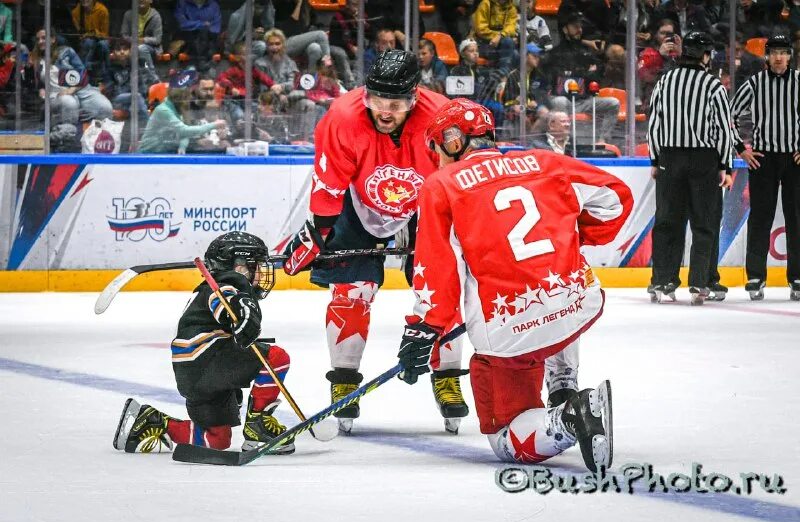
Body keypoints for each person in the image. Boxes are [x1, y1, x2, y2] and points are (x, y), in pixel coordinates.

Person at [395, 99, 632, 470]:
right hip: (577, 301)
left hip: (511, 332)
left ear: (454, 141)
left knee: (507, 438)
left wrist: (425, 329)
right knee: (555, 300)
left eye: (437, 148)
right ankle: (563, 382)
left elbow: (437, 271)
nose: (436, 159)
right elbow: (616, 197)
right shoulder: (544, 161)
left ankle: (572, 415)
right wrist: (569, 240)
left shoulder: (441, 185)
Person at [280, 50, 463, 434]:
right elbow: (329, 185)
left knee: (441, 289)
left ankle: (447, 377)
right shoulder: (342, 118)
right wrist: (321, 233)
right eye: (376, 100)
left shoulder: (442, 118)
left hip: (426, 205)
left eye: (394, 104)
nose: (383, 110)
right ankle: (344, 382)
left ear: (414, 98)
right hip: (357, 201)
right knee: (351, 291)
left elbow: (458, 181)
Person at [113, 232, 296, 455]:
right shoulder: (223, 287)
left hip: (193, 373)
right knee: (276, 357)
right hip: (207, 361)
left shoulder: (211, 288)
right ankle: (258, 426)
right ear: (239, 267)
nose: (260, 273)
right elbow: (230, 303)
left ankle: (153, 422)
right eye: (255, 265)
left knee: (217, 439)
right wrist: (246, 313)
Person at [647, 31, 733, 305]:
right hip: (703, 160)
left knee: (667, 221)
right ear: (705, 56)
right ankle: (700, 283)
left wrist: (654, 159)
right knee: (704, 222)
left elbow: (654, 124)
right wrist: (725, 165)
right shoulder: (713, 85)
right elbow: (723, 129)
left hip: (670, 159)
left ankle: (662, 281)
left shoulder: (665, 81)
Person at [731, 34, 800, 301]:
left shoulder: (798, 81)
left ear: (790, 56)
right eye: (774, 52)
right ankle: (756, 276)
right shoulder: (755, 84)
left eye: (784, 52)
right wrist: (741, 149)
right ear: (767, 56)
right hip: (763, 159)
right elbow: (730, 116)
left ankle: (796, 276)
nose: (779, 57)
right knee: (761, 218)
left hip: (793, 160)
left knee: (796, 218)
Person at [542, 13, 620, 144]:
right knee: (560, 101)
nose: (579, 29)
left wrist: (578, 74)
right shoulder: (555, 53)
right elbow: (556, 79)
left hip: (583, 101)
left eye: (580, 26)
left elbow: (596, 78)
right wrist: (584, 73)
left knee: (613, 103)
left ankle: (602, 141)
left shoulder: (587, 52)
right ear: (565, 29)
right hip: (563, 100)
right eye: (575, 26)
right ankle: (566, 141)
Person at [139, 70, 226, 153]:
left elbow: (184, 135)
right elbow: (184, 130)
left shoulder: (176, 110)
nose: (188, 100)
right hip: (147, 154)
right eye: (186, 98)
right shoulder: (164, 110)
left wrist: (182, 146)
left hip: (164, 152)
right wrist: (214, 125)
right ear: (179, 98)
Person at [472, 0, 519, 75]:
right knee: (510, 46)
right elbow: (481, 30)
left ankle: (507, 78)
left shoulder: (511, 8)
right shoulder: (485, 4)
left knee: (516, 54)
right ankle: (503, 77)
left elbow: (511, 28)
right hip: (483, 42)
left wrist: (500, 36)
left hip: (503, 43)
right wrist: (498, 36)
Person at [174, 0, 222, 72]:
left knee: (205, 34)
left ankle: (203, 65)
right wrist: (201, 24)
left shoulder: (214, 5)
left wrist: (194, 25)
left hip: (208, 42)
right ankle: (195, 65)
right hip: (188, 41)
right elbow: (182, 24)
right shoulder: (182, 3)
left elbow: (216, 28)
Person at [71, 0, 110, 83]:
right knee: (88, 42)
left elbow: (105, 34)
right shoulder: (76, 12)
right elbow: (79, 34)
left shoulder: (102, 10)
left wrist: (93, 33)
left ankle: (107, 75)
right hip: (86, 41)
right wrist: (86, 36)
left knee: (104, 44)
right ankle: (82, 75)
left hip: (100, 39)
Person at [120, 0, 163, 76]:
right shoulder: (128, 15)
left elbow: (157, 39)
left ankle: (152, 76)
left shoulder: (155, 16)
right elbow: (124, 35)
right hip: (131, 45)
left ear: (150, 1)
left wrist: (143, 40)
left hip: (151, 48)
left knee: (141, 48)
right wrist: (134, 41)